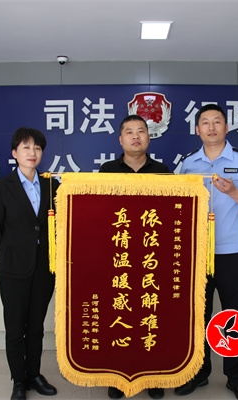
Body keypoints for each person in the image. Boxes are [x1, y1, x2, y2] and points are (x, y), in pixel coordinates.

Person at [176, 104, 238, 400]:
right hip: (196, 254)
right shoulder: (187, 164)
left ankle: (236, 377)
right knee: (196, 315)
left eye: (217, 122)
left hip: (232, 253)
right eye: (205, 122)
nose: (211, 127)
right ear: (197, 129)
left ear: (226, 128)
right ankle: (198, 373)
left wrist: (234, 193)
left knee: (236, 314)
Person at [99, 114, 170, 399]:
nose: (136, 136)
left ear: (149, 138)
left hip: (153, 257)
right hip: (118, 258)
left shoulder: (162, 171)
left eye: (141, 131)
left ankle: (153, 376)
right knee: (118, 315)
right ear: (121, 139)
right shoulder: (107, 171)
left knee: (152, 316)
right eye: (129, 132)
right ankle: (116, 376)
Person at [0, 127, 60, 400]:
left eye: (37, 148)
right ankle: (19, 380)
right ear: (14, 153)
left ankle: (34, 375)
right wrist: (9, 258)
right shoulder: (1, 188)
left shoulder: (52, 185)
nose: (32, 153)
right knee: (16, 328)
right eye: (26, 147)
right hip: (14, 269)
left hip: (44, 268)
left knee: (36, 326)